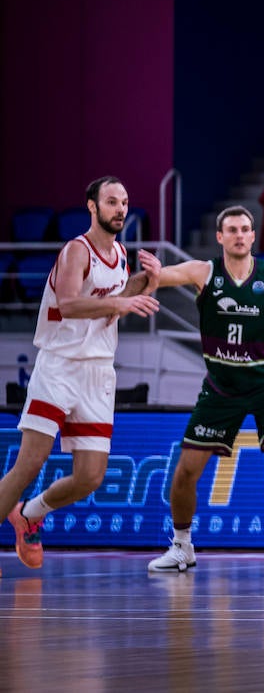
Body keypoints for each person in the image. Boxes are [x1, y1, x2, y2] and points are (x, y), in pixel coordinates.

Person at [147, 205, 264, 574]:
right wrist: (151, 275)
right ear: (220, 237)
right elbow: (162, 277)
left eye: (245, 229)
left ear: (253, 236)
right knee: (187, 470)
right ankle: (181, 546)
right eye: (232, 229)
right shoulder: (204, 272)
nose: (239, 235)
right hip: (222, 385)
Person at [0, 177, 161, 574]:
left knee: (90, 477)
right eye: (111, 201)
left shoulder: (121, 254)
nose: (120, 209)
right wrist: (127, 298)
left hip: (98, 372)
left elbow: (118, 297)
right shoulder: (77, 250)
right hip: (59, 366)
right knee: (29, 464)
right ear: (92, 206)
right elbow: (71, 304)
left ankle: (30, 514)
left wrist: (152, 279)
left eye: (124, 202)